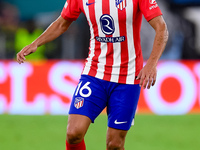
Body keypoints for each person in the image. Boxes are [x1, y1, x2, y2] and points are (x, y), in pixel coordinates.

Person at [17, 0, 168, 149]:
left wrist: (151, 64)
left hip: (127, 78)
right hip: (95, 74)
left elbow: (161, 28)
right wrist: (36, 43)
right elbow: (61, 23)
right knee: (73, 133)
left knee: (114, 144)